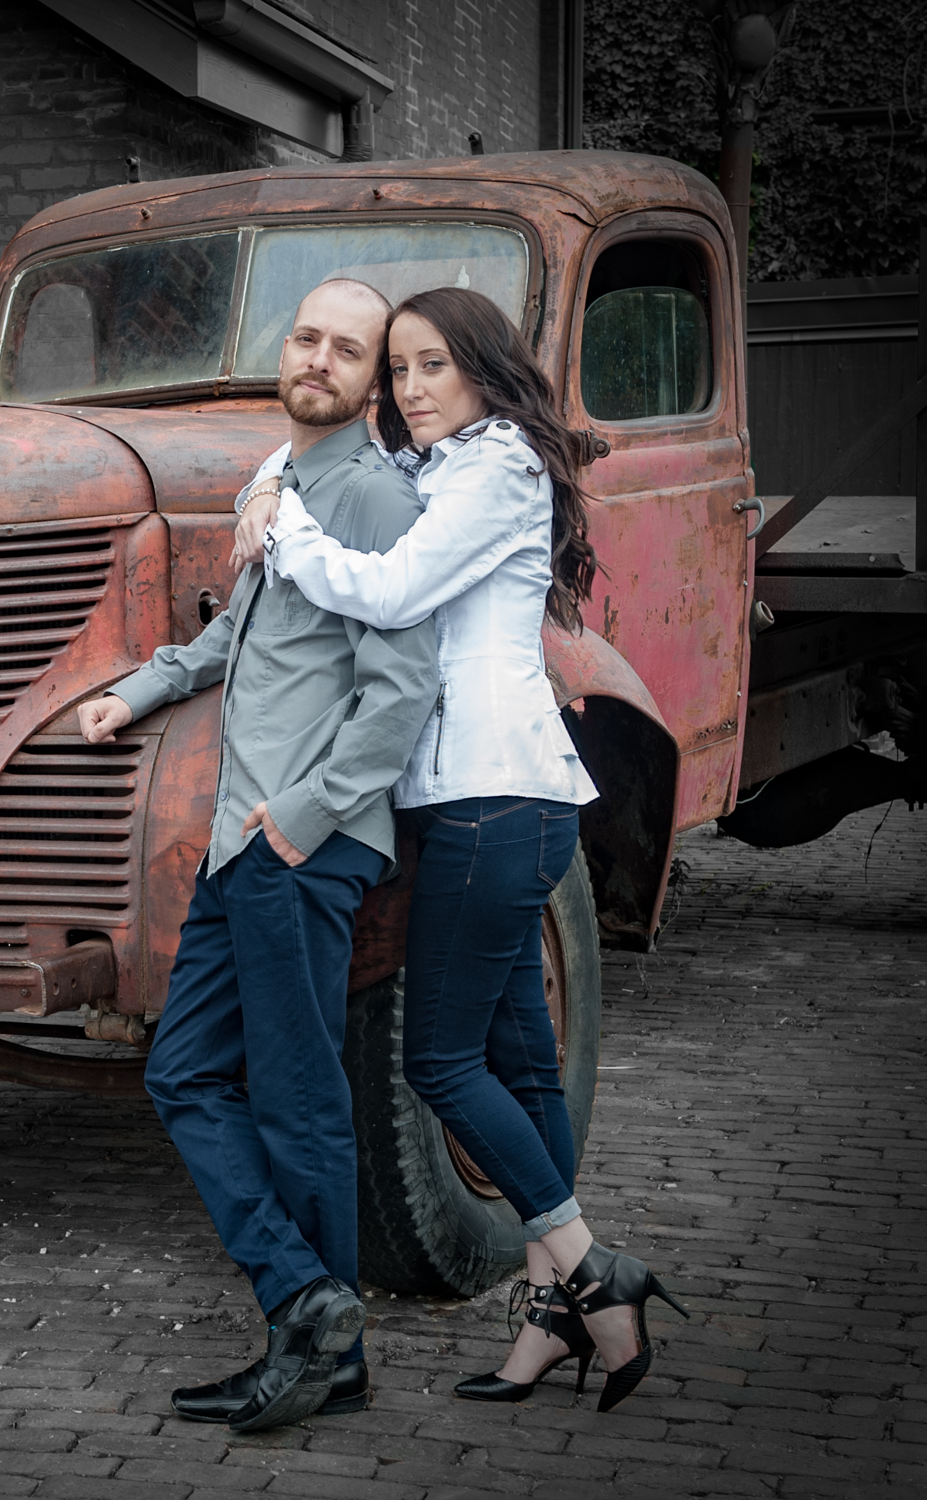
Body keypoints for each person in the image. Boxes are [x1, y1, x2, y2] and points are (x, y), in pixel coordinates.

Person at [231, 286, 689, 1414]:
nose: (407, 389)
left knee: (438, 1063)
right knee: (525, 1066)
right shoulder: (447, 466)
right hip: (475, 801)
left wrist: (281, 530)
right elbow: (315, 478)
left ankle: (590, 1267)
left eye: (430, 365)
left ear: (483, 367)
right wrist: (271, 487)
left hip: (495, 796)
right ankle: (552, 1319)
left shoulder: (499, 468)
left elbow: (389, 589)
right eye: (398, 372)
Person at [78, 278, 439, 1432]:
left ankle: (322, 1348)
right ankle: (312, 1314)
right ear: (283, 353)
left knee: (296, 1101)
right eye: (308, 338)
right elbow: (239, 636)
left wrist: (301, 819)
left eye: (349, 350)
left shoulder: (375, 501)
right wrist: (132, 692)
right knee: (183, 1071)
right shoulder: (277, 486)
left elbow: (400, 690)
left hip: (300, 842)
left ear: (373, 382)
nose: (320, 359)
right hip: (247, 846)